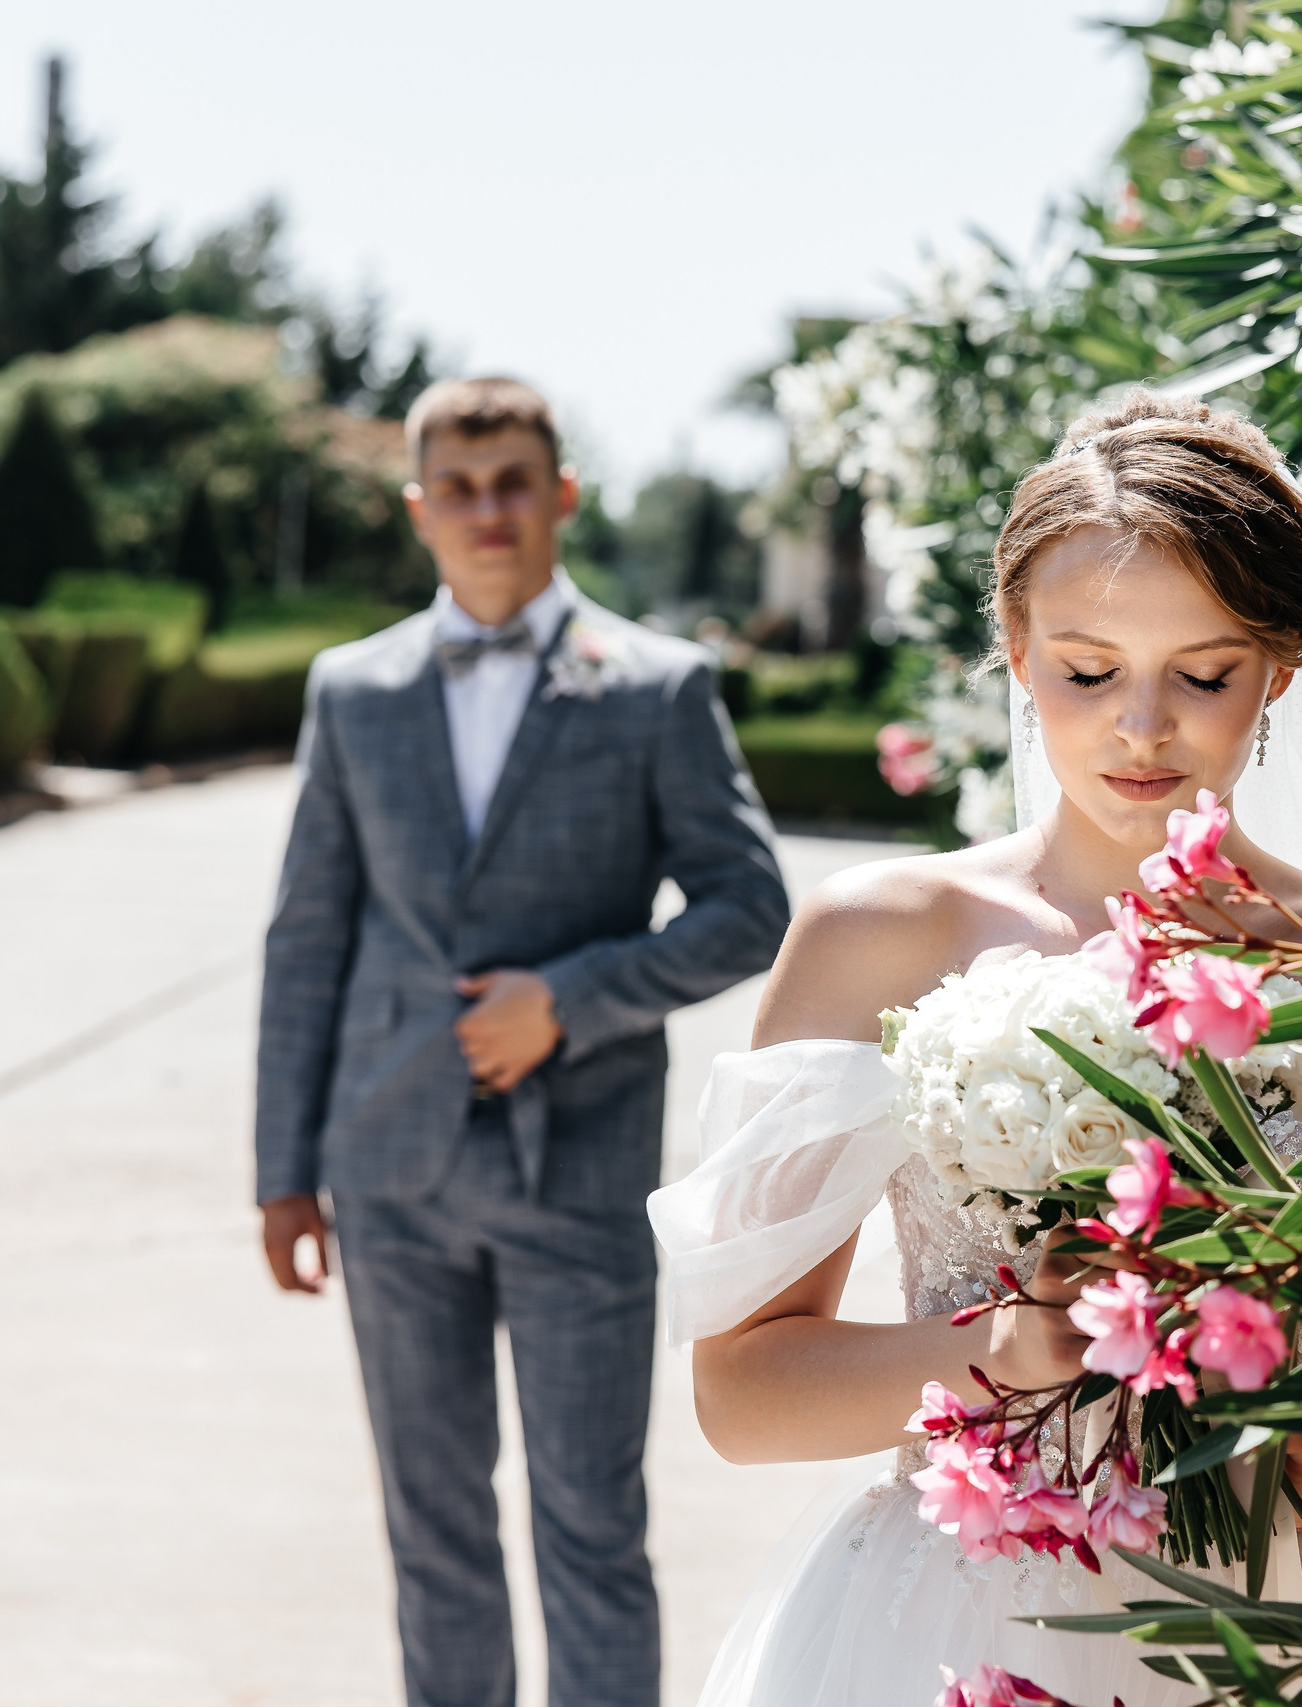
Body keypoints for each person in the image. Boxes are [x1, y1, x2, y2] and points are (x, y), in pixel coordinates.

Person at [647, 391, 1302, 1704]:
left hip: (1273, 1637)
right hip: (952, 1627)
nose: (1140, 728)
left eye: (1203, 675)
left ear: (1283, 660)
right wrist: (995, 1355)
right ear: (1017, 647)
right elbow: (743, 1397)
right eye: (1088, 671)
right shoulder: (876, 939)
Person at [254, 376, 792, 1707]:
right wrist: (283, 1166)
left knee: (591, 1530)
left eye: (513, 482)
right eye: (459, 486)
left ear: (560, 494)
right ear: (420, 508)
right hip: (389, 1166)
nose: (487, 510)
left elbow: (749, 905)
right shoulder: (354, 691)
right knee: (431, 1534)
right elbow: (306, 937)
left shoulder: (657, 688)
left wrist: (573, 995)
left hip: (582, 1172)